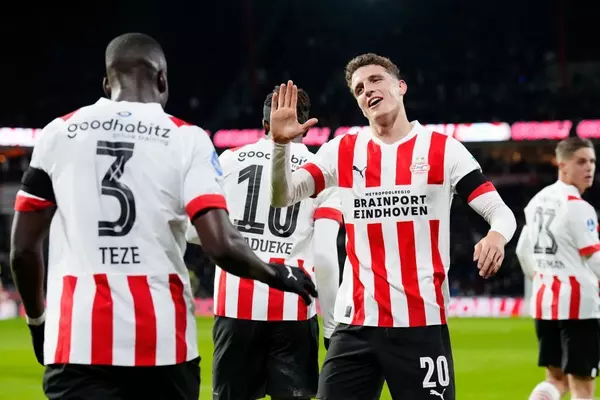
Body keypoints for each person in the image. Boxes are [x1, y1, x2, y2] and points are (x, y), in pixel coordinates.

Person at [9, 32, 316, 400]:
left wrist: (38, 323)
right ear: (162, 80)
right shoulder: (186, 138)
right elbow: (220, 244)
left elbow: (22, 250)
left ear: (107, 83)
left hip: (78, 339)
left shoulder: (58, 133)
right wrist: (278, 274)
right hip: (164, 341)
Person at [267, 53, 517, 400]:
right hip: (355, 324)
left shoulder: (443, 150)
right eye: (358, 89)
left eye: (375, 80)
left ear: (400, 87)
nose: (367, 90)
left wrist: (496, 236)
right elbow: (283, 196)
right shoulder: (342, 150)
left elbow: (500, 212)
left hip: (421, 322)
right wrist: (280, 147)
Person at [187, 86, 342, 400]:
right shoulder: (322, 172)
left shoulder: (229, 160)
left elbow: (194, 231)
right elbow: (325, 255)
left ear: (264, 124)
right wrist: (331, 327)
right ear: (306, 125)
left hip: (235, 306)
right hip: (294, 310)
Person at [516, 137, 600, 400]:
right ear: (562, 165)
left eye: (592, 161)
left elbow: (522, 251)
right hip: (579, 306)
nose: (589, 167)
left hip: (545, 302)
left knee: (555, 380)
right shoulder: (579, 207)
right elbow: (594, 258)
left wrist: (543, 277)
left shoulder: (537, 201)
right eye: (581, 162)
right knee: (583, 387)